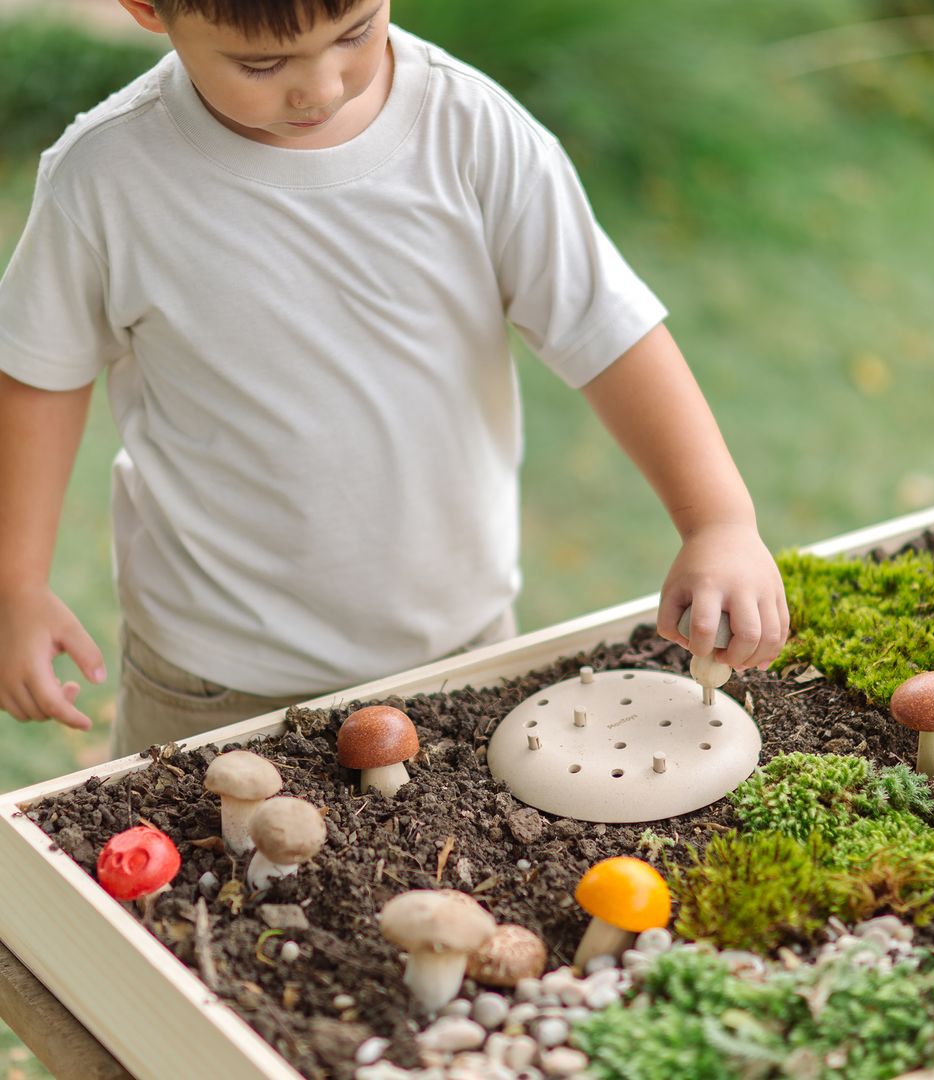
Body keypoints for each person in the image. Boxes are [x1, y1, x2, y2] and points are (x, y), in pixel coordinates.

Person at [0, 0, 789, 758]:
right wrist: (16, 584)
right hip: (211, 677)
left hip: (459, 651)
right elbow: (38, 377)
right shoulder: (105, 177)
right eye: (262, 63)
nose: (321, 87)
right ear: (146, 7)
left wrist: (717, 520)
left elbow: (608, 334)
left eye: (355, 32)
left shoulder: (471, 132)